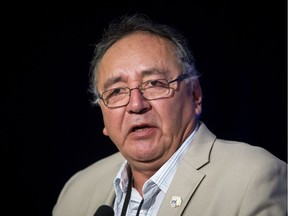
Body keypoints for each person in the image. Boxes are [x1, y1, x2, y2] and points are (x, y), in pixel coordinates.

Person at [52, 13, 287, 216]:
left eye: (154, 83)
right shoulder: (77, 192)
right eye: (116, 92)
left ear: (195, 95)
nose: (136, 104)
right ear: (103, 115)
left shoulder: (254, 177)